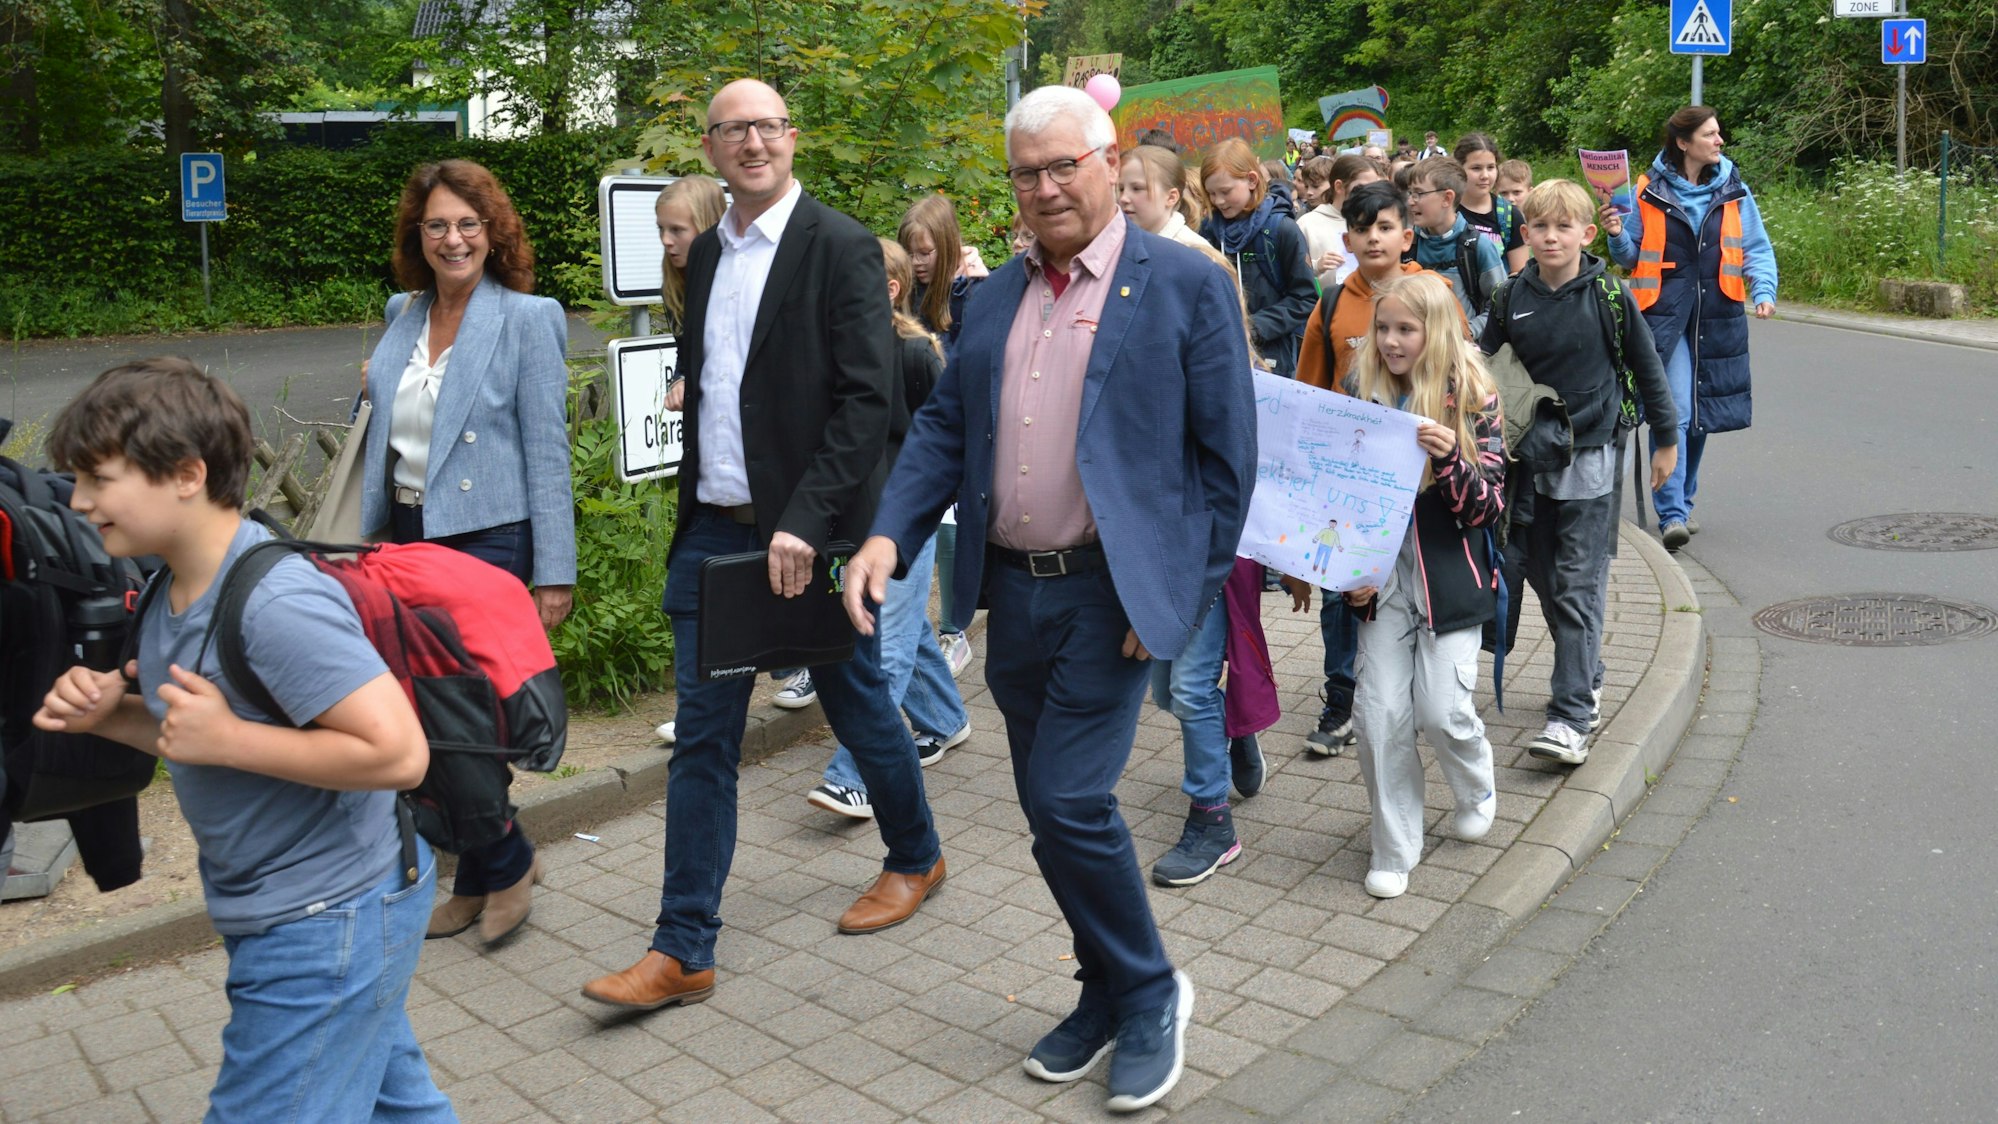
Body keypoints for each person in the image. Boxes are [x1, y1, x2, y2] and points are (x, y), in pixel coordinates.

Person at [841, 84, 1256, 1112]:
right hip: (1012, 596)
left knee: (1070, 800)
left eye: (1064, 165)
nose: (1046, 187)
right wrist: (889, 533)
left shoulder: (1184, 285)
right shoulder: (989, 301)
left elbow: (1226, 467)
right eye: (1027, 173)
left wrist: (1174, 595)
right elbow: (945, 428)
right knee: (1046, 810)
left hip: (1112, 598)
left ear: (1110, 162)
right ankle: (1102, 987)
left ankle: (1151, 990)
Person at [581, 78, 946, 1012]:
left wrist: (807, 520)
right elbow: (723, 378)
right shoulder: (707, 253)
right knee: (704, 739)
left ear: (792, 137)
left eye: (769, 126)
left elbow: (866, 402)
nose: (754, 142)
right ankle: (683, 948)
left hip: (810, 535)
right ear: (710, 148)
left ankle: (915, 855)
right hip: (714, 531)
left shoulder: (838, 245)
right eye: (734, 130)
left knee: (858, 704)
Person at [37, 359, 451, 1121]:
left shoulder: (275, 603)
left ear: (186, 474)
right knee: (398, 1107)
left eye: (99, 478)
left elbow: (399, 753)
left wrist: (227, 739)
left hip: (328, 916)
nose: (80, 500)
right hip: (293, 908)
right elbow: (193, 734)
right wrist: (111, 717)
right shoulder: (169, 584)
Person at [360, 158, 574, 947]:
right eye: (437, 226)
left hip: (489, 538)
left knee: (464, 718)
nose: (453, 239)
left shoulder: (528, 318)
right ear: (417, 236)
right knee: (431, 716)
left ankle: (500, 867)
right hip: (406, 535)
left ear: (492, 232)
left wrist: (554, 571)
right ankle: (493, 868)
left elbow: (547, 451)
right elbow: (388, 429)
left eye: (467, 224)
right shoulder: (401, 313)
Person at [1480, 179, 1679, 766]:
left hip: (1591, 458)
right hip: (1527, 463)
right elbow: (1483, 369)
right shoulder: (1509, 296)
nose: (1551, 237)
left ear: (1586, 234)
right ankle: (1587, 671)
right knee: (1543, 577)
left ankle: (1571, 715)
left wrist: (1666, 441)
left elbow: (1647, 368)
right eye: (1540, 227)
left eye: (1563, 227)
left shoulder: (1610, 296)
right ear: (1525, 233)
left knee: (1577, 583)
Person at [1341, 273, 1506, 899]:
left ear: (1434, 332)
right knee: (1379, 716)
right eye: (1382, 327)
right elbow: (1340, 493)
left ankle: (1475, 786)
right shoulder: (1360, 388)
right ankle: (1394, 847)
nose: (1390, 341)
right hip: (1383, 581)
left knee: (1441, 711)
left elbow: (1488, 508)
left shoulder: (1474, 394)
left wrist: (1448, 458)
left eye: (1405, 329)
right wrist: (1350, 575)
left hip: (1450, 579)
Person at [1294, 182, 1465, 758]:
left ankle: (1420, 693)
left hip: (1425, 483)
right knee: (1342, 592)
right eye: (1362, 229)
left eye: (1385, 227)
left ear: (1406, 236)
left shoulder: (1436, 292)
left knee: (1412, 589)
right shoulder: (1331, 302)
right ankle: (1342, 701)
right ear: (1346, 240)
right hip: (1350, 478)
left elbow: (1462, 375)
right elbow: (1309, 393)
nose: (1373, 238)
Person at [804, 239, 972, 818]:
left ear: (889, 289)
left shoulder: (917, 354)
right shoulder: (837, 353)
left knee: (886, 644)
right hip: (855, 518)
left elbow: (945, 440)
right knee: (904, 627)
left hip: (906, 521)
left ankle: (853, 776)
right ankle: (945, 718)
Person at [1604, 106, 1778, 550]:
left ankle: (1683, 499)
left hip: (1717, 314)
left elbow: (1756, 246)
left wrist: (1763, 290)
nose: (1720, 141)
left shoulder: (1734, 188)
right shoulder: (1647, 190)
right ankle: (1672, 515)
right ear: (1683, 143)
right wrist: (1616, 233)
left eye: (1718, 133)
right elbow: (1630, 256)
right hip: (1664, 315)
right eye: (1710, 134)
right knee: (1677, 410)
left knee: (1701, 416)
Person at [653, 174, 728, 749]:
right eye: (661, 230)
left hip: (750, 480)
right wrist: (682, 379)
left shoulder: (732, 283)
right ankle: (698, 711)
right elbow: (689, 352)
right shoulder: (679, 286)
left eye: (677, 229)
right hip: (702, 480)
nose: (667, 241)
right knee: (689, 593)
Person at [899, 193, 987, 678]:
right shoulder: (907, 291)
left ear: (948, 246)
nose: (918, 262)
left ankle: (955, 630)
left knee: (951, 523)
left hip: (958, 424)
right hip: (916, 422)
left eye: (926, 252)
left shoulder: (970, 291)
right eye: (911, 252)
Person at [1200, 137, 1319, 377]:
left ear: (1252, 180)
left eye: (1225, 191)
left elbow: (1305, 298)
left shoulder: (1282, 229)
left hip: (1272, 357)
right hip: (1218, 353)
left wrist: (1253, 327)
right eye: (1211, 193)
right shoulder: (1208, 230)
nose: (1218, 201)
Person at [1405, 156, 1507, 335]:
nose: (1410, 201)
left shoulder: (1477, 247)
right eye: (1410, 193)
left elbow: (1500, 304)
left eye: (1418, 194)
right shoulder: (1408, 244)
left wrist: (1468, 332)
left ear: (1447, 198)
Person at [1296, 153, 1385, 289]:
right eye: (1362, 188)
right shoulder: (1307, 224)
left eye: (1374, 188)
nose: (1370, 194)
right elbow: (1293, 274)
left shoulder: (1378, 220)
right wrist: (1316, 266)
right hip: (1326, 300)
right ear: (1339, 187)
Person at [1454, 133, 1528, 273]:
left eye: (1490, 167)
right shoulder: (1446, 210)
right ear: (1459, 169)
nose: (1485, 176)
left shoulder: (1510, 215)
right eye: (1476, 168)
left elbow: (1519, 274)